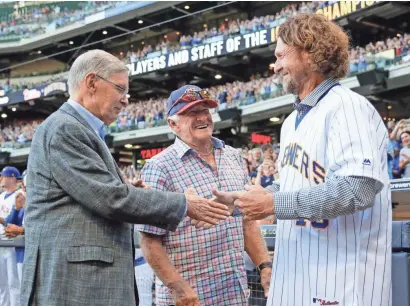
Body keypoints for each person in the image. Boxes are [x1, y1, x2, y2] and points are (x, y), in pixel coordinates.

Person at [22, 50, 230, 306]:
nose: (126, 99)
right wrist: (185, 204)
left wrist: (127, 188)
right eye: (120, 89)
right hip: (74, 284)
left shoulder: (78, 128)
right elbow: (110, 198)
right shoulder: (66, 128)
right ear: (91, 82)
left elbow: (94, 195)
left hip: (84, 281)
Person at [215, 14, 391, 306]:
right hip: (296, 274)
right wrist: (249, 199)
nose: (276, 66)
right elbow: (300, 183)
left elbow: (358, 189)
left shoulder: (346, 106)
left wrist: (274, 204)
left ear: (309, 51)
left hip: (342, 281)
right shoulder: (290, 122)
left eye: (281, 55)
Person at [136, 85, 272, 306]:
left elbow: (246, 222)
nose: (202, 118)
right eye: (192, 112)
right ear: (173, 124)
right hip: (190, 298)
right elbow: (149, 240)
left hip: (235, 292)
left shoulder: (233, 156)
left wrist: (264, 266)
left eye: (205, 110)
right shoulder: (159, 167)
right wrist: (179, 288)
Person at [0, 166, 22, 306]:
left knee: (14, 283)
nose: (1, 178)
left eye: (4, 175)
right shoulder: (0, 196)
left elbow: (13, 220)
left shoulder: (19, 195)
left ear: (12, 177)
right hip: (0, 243)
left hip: (13, 244)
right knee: (2, 284)